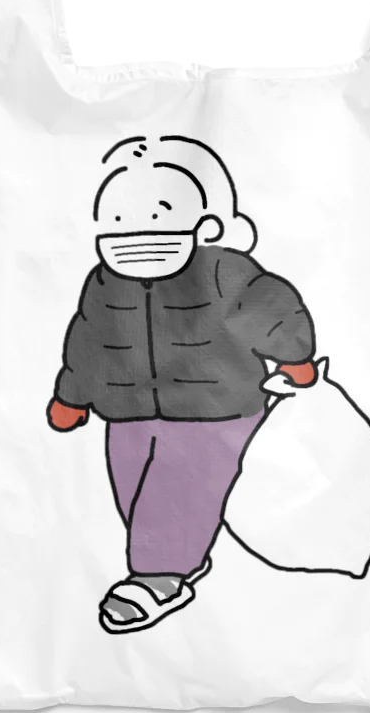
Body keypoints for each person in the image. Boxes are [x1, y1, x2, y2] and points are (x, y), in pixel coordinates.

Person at [46, 135, 316, 633]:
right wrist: (72, 396)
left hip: (214, 407)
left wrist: (294, 358)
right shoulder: (103, 282)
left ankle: (159, 576)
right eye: (119, 223)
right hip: (127, 408)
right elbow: (87, 340)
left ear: (204, 227)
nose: (138, 236)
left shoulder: (224, 271)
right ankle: (173, 559)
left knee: (177, 486)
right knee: (133, 489)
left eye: (158, 220)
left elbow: (271, 310)